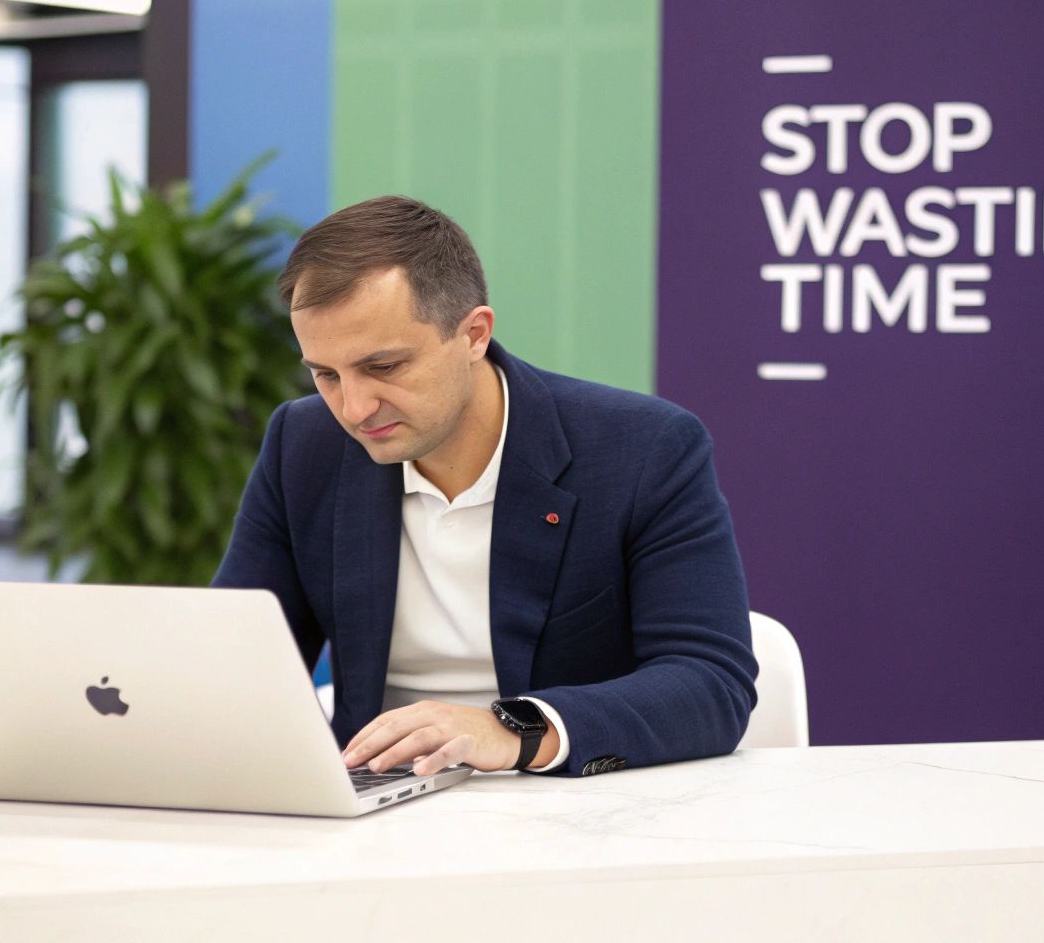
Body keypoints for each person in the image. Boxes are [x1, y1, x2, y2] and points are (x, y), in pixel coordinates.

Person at [212, 196, 757, 778]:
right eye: (325, 374)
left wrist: (513, 729)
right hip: (375, 812)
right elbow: (233, 657)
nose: (353, 407)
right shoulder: (303, 443)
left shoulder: (643, 449)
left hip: (571, 810)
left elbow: (711, 682)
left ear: (474, 334)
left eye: (385, 366)